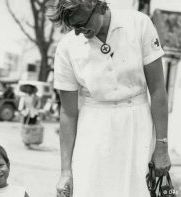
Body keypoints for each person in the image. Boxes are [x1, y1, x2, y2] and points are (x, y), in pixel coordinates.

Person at [47, 0, 171, 197]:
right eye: (73, 27)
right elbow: (68, 113)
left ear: (97, 6)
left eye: (81, 24)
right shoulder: (67, 46)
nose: (78, 32)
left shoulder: (139, 23)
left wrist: (162, 147)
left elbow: (157, 91)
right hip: (93, 130)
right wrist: (65, 171)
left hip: (137, 124)